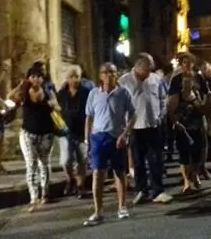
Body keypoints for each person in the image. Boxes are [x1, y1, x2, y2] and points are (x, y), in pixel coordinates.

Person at [83, 62, 136, 226]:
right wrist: (87, 140)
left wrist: (125, 133)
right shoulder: (93, 94)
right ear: (100, 76)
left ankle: (122, 207)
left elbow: (133, 114)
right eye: (105, 72)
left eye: (112, 72)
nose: (108, 75)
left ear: (116, 74)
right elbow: (89, 118)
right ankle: (98, 211)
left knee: (119, 173)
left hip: (116, 137)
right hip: (98, 137)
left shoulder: (123, 93)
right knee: (98, 174)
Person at [118, 53, 172, 205]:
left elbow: (163, 99)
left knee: (156, 159)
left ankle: (158, 191)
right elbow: (119, 104)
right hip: (133, 127)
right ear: (139, 67)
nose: (151, 71)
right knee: (138, 161)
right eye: (149, 68)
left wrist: (161, 115)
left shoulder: (156, 79)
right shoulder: (124, 81)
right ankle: (141, 190)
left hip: (153, 125)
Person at [8, 67, 57, 212]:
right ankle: (33, 197)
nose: (35, 79)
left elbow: (56, 105)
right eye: (32, 76)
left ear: (43, 78)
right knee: (31, 164)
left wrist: (50, 103)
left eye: (39, 76)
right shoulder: (23, 93)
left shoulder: (48, 91)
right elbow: (9, 99)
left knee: (44, 163)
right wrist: (20, 85)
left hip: (46, 133)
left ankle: (45, 193)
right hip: (28, 133)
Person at [167, 53, 208, 194]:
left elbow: (205, 94)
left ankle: (195, 175)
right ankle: (186, 181)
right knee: (184, 151)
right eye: (184, 62)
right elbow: (172, 99)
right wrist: (173, 117)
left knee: (197, 149)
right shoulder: (176, 80)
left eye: (190, 62)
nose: (187, 65)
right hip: (182, 119)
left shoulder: (199, 78)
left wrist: (202, 106)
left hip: (196, 118)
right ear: (181, 64)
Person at [56, 66, 91, 198]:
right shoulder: (62, 93)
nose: (74, 80)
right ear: (67, 78)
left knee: (82, 159)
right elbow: (57, 109)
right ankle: (70, 179)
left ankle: (80, 185)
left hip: (82, 130)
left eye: (77, 76)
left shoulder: (86, 92)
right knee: (66, 160)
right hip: (66, 131)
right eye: (71, 77)